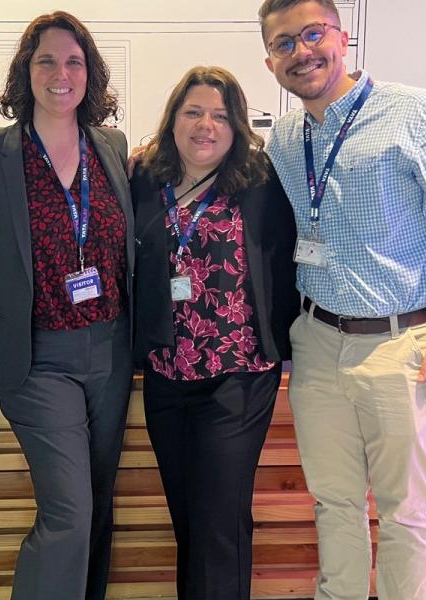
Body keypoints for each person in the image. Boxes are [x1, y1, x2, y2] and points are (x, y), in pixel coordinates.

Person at [258, 1, 426, 599]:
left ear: (343, 36)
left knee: (405, 511)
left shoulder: (415, 115)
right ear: (270, 61)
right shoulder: (287, 137)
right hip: (316, 343)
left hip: (404, 345)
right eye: (285, 43)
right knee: (334, 502)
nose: (302, 52)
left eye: (313, 34)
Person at [0, 11, 133, 600]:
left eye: (74, 61)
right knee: (69, 512)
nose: (61, 73)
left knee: (98, 506)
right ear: (25, 72)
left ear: (90, 73)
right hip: (35, 356)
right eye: (46, 60)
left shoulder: (111, 146)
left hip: (109, 346)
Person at [130, 66, 299, 600]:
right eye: (194, 112)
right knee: (189, 519)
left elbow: (293, 260)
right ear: (173, 119)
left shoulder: (260, 182)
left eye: (222, 116)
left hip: (238, 377)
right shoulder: (142, 179)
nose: (207, 126)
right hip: (166, 375)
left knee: (219, 519)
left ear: (238, 126)